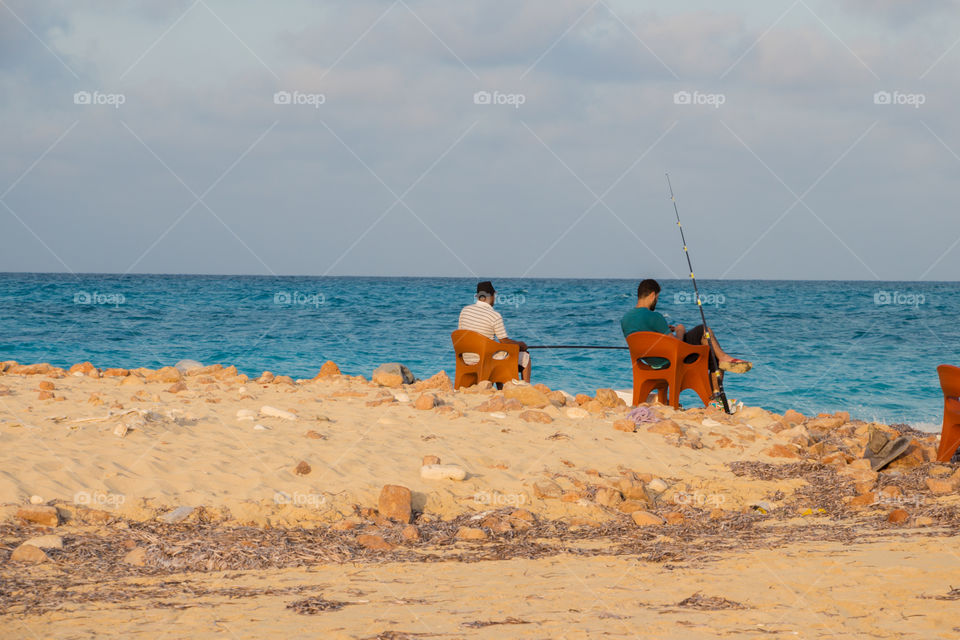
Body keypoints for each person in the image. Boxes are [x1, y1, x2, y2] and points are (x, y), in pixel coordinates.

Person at [620, 278, 751, 393]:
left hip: (650, 362)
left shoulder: (625, 320)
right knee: (704, 332)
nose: (657, 301)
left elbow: (645, 336)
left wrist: (665, 330)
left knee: (706, 345)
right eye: (657, 298)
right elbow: (677, 346)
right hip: (670, 361)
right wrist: (679, 331)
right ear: (653, 295)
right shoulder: (655, 317)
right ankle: (717, 389)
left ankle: (721, 360)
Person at [458, 281, 531, 382]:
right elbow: (504, 341)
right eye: (494, 296)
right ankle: (526, 389)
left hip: (466, 359)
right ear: (490, 296)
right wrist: (520, 345)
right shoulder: (494, 315)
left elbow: (461, 335)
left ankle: (501, 388)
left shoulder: (464, 311)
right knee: (525, 356)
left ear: (478, 297)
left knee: (498, 352)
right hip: (485, 361)